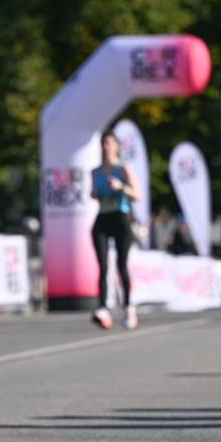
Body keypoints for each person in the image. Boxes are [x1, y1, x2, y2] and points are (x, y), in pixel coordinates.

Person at [90, 130, 140, 330]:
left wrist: (121, 187)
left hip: (121, 218)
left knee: (121, 265)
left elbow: (137, 194)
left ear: (117, 146)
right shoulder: (94, 172)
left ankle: (128, 306)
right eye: (104, 143)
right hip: (103, 218)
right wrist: (93, 194)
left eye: (110, 143)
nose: (106, 147)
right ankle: (102, 307)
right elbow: (95, 194)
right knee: (102, 266)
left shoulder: (123, 169)